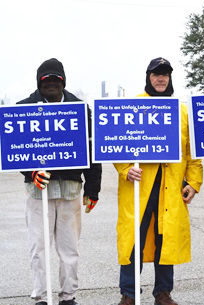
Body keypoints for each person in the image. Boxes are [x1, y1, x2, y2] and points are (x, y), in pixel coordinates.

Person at [114, 57, 203, 305]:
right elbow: (114, 146)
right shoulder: (133, 107)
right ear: (148, 77)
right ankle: (128, 294)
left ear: (170, 78)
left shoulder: (182, 111)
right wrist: (125, 169)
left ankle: (163, 293)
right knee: (134, 241)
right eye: (156, 74)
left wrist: (193, 183)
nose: (161, 78)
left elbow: (192, 153)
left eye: (165, 74)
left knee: (166, 242)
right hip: (139, 188)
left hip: (171, 189)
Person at [18, 58, 102, 305]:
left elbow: (92, 150)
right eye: (47, 81)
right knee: (38, 248)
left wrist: (93, 189)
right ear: (39, 83)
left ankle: (68, 297)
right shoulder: (24, 108)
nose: (52, 85)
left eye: (56, 80)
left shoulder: (80, 109)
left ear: (63, 82)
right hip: (37, 191)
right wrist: (30, 172)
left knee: (69, 249)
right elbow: (15, 150)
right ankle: (41, 298)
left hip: (71, 190)